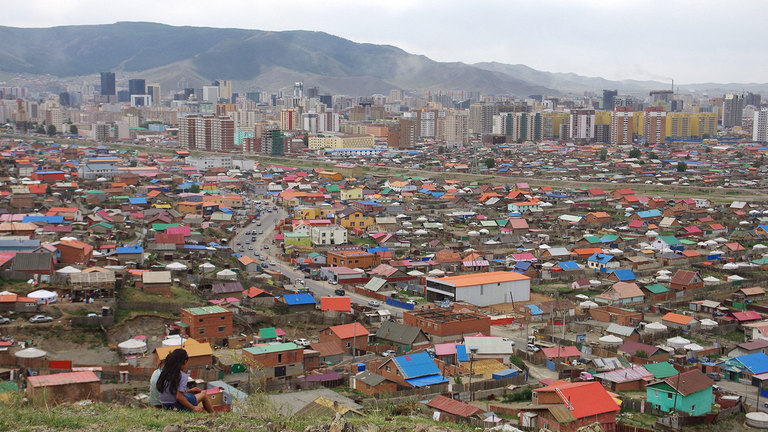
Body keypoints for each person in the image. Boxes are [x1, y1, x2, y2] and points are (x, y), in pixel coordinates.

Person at [156, 349, 213, 413]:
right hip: (177, 405)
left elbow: (172, 392)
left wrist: (189, 391)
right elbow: (179, 397)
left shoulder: (164, 373)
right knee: (203, 394)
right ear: (185, 362)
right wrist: (193, 408)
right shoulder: (182, 376)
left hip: (166, 406)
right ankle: (213, 414)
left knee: (189, 395)